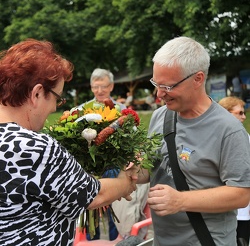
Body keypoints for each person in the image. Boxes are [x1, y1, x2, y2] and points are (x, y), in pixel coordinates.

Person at [0, 39, 137, 246]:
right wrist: (127, 181)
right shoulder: (34, 148)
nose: (55, 108)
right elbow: (96, 196)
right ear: (37, 93)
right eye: (57, 97)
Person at [134, 36, 250, 246]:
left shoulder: (229, 130)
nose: (159, 94)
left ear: (197, 79)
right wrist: (129, 168)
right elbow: (149, 168)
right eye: (156, 84)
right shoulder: (161, 116)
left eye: (167, 86)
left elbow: (241, 194)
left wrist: (180, 201)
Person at [77, 68, 150, 241]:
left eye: (103, 86)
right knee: (91, 207)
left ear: (111, 86)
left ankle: (113, 240)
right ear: (91, 87)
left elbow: (134, 138)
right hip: (90, 166)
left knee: (112, 207)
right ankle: (90, 241)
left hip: (114, 165)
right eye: (95, 87)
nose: (99, 91)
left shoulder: (122, 111)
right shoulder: (82, 110)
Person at [218, 96, 250, 245]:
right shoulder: (214, 138)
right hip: (221, 210)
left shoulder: (246, 138)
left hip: (242, 210)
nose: (244, 117)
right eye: (240, 113)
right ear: (226, 113)